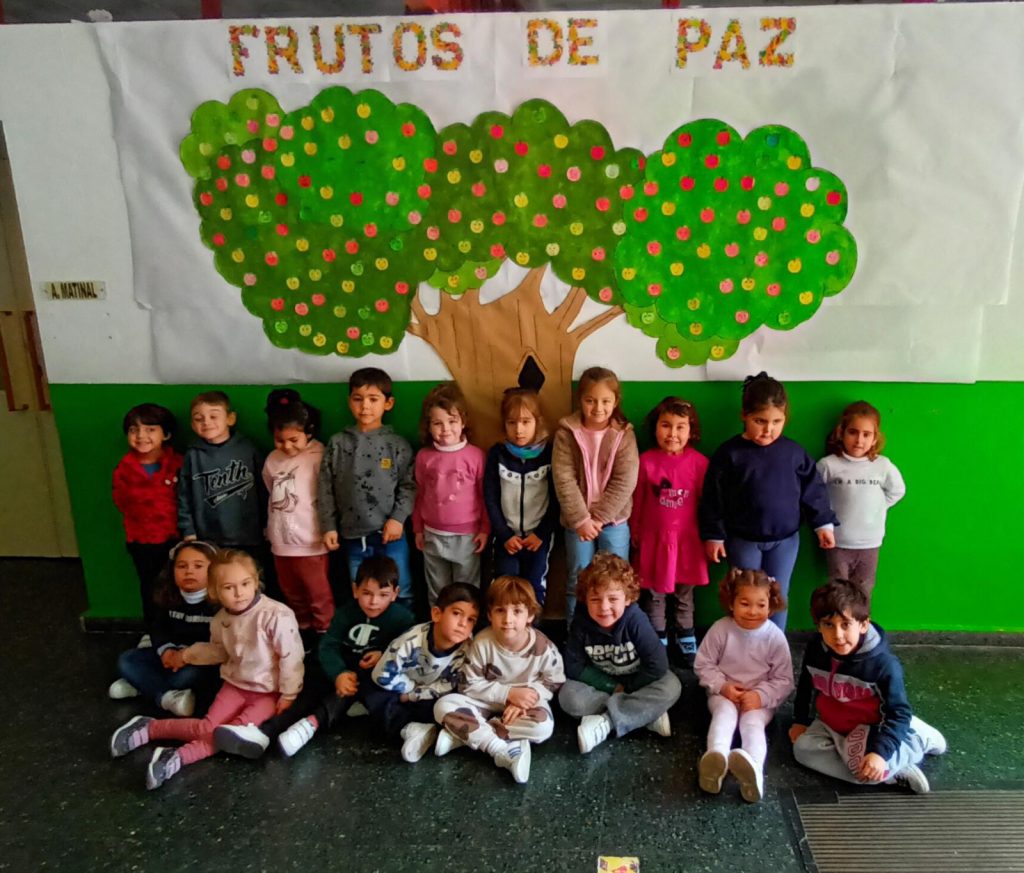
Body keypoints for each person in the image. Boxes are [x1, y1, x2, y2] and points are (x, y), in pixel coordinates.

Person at [109, 549, 303, 790]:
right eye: (229, 587)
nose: (239, 593)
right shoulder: (220, 619)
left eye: (245, 584)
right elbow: (217, 651)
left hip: (268, 694)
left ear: (256, 582)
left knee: (227, 734)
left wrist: (289, 693)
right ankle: (149, 729)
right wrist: (185, 655)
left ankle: (175, 756)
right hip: (235, 685)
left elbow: (291, 656)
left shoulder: (277, 615)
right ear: (214, 591)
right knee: (209, 729)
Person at [699, 372, 837, 629]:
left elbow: (813, 490)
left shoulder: (793, 453)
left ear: (785, 418)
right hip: (742, 541)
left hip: (785, 541)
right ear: (744, 415)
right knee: (744, 596)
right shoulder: (729, 454)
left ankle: (776, 647)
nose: (768, 429)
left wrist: (823, 524)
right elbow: (712, 498)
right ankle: (745, 646)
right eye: (759, 421)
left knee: (777, 595)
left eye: (777, 421)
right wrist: (713, 535)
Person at [789, 580, 947, 794]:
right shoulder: (816, 649)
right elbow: (806, 685)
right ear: (818, 626)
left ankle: (916, 740)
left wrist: (879, 754)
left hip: (872, 726)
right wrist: (800, 720)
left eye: (846, 624)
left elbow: (898, 713)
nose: (837, 635)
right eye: (828, 625)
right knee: (802, 750)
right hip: (832, 724)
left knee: (862, 770)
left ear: (863, 624)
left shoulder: (884, 665)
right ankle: (890, 772)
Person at [264, 556, 417, 758]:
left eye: (383, 595)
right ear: (355, 590)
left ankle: (310, 726)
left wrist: (383, 655)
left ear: (395, 594)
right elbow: (329, 645)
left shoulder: (403, 618)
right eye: (367, 593)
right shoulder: (345, 613)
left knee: (351, 696)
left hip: (371, 676)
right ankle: (266, 731)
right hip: (344, 667)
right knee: (311, 690)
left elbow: (406, 647)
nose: (374, 602)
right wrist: (338, 673)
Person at [433, 576, 565, 783]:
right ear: (490, 614)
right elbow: (468, 685)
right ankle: (500, 748)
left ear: (530, 615)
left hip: (523, 705)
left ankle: (467, 734)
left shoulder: (544, 647)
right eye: (500, 610)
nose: (508, 619)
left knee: (543, 727)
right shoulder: (482, 643)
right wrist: (508, 694)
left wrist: (525, 699)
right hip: (486, 700)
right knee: (443, 705)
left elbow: (554, 681)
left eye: (517, 611)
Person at [559, 553, 681, 754]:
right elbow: (572, 665)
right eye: (595, 599)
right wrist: (613, 687)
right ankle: (644, 715)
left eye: (613, 599)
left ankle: (606, 723)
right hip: (603, 685)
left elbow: (658, 663)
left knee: (671, 685)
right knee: (568, 696)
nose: (604, 607)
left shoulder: (636, 620)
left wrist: (630, 687)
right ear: (585, 600)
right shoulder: (581, 622)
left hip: (638, 682)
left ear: (628, 598)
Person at [318, 368, 416, 606]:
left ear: (388, 403)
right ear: (349, 401)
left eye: (373, 399)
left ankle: (403, 626)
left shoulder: (397, 444)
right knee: (361, 592)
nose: (365, 407)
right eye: (358, 399)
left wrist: (398, 519)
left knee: (400, 590)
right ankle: (366, 627)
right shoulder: (338, 443)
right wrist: (328, 526)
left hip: (390, 535)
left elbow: (409, 485)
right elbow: (325, 488)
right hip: (352, 536)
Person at [694, 568, 794, 803]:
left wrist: (760, 696)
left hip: (759, 701)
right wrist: (723, 686)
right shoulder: (721, 629)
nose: (753, 611)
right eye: (745, 603)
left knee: (752, 724)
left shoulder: (775, 637)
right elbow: (703, 664)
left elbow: (784, 680)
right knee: (724, 715)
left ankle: (754, 770)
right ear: (732, 603)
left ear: (770, 606)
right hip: (724, 694)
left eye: (761, 605)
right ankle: (716, 759)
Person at [553, 367, 639, 623]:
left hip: (614, 522)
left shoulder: (624, 435)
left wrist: (599, 517)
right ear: (580, 400)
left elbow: (625, 480)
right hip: (577, 522)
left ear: (616, 401)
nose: (598, 408)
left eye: (605, 401)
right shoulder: (566, 433)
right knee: (578, 579)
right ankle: (576, 634)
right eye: (590, 400)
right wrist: (582, 519)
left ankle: (615, 635)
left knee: (617, 582)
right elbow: (563, 478)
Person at [630, 396, 708, 666]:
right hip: (654, 541)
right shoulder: (645, 462)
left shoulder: (699, 463)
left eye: (680, 427)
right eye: (666, 425)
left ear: (691, 431)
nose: (672, 434)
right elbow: (637, 500)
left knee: (685, 595)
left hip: (687, 542)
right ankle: (657, 642)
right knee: (654, 594)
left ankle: (686, 638)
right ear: (655, 427)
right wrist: (635, 530)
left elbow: (706, 504)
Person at [368, 583, 481, 763]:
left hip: (428, 694)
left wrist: (414, 695)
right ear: (437, 614)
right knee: (376, 697)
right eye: (456, 613)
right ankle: (411, 729)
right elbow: (382, 675)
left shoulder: (467, 649)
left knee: (452, 702)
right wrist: (409, 688)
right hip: (399, 689)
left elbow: (449, 684)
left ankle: (437, 732)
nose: (462, 624)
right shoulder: (410, 641)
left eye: (470, 620)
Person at [109, 540, 220, 716]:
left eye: (198, 566)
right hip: (170, 655)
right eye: (181, 566)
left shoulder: (219, 603)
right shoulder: (168, 596)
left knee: (185, 677)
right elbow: (158, 628)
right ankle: (165, 696)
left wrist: (185, 656)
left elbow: (217, 647)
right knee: (126, 660)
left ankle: (142, 684)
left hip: (198, 661)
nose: (189, 571)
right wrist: (166, 651)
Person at [262, 388, 334, 639]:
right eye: (280, 440)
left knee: (318, 593)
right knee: (291, 593)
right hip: (280, 543)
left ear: (309, 432)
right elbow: (270, 490)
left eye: (294, 440)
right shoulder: (272, 459)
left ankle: (324, 633)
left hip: (311, 543)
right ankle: (302, 632)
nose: (287, 446)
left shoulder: (318, 456)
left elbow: (327, 495)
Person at [817, 401, 906, 598]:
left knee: (864, 591)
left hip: (870, 542)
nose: (859, 440)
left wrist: (878, 508)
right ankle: (838, 619)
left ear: (875, 438)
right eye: (853, 432)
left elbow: (897, 491)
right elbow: (815, 496)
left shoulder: (883, 465)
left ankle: (861, 620)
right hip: (838, 541)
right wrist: (824, 524)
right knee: (838, 592)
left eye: (867, 434)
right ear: (841, 432)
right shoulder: (828, 465)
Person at [412, 382, 489, 604]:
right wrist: (417, 529)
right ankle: (438, 622)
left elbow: (484, 496)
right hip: (432, 534)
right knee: (437, 590)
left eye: (452, 421)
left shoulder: (476, 456)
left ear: (463, 422)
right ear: (428, 426)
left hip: (467, 537)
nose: (445, 429)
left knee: (467, 590)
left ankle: (467, 622)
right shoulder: (424, 457)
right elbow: (419, 494)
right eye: (437, 423)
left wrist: (485, 529)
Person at [112, 403, 182, 638]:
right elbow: (122, 501)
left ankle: (183, 633)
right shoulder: (125, 469)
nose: (141, 436)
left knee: (183, 585)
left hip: (178, 537)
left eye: (150, 429)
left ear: (166, 434)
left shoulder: (178, 463)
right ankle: (154, 634)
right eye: (134, 430)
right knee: (151, 587)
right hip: (142, 541)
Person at [483, 388, 558, 606]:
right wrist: (504, 534)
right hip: (506, 538)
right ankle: (503, 626)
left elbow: (557, 499)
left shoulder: (549, 453)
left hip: (538, 538)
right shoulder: (497, 454)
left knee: (534, 586)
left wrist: (541, 533)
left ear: (537, 422)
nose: (519, 430)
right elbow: (490, 496)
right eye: (512, 422)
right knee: (504, 586)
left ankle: (533, 626)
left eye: (526, 422)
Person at [177, 391, 265, 553]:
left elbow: (264, 489)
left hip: (248, 536)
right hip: (208, 539)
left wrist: (267, 524)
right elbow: (184, 496)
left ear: (230, 419)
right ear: (192, 424)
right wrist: (188, 529)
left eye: (213, 416)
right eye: (199, 418)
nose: (206, 422)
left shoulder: (248, 449)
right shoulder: (192, 455)